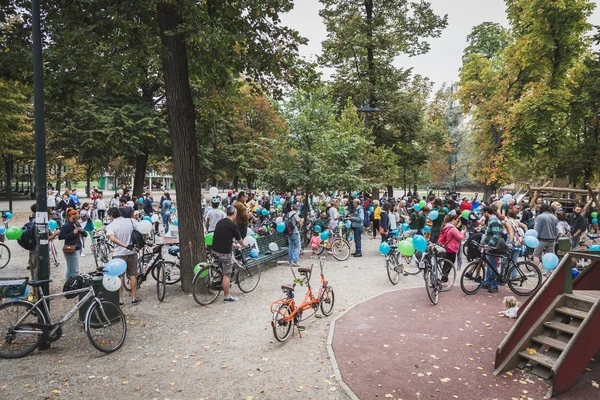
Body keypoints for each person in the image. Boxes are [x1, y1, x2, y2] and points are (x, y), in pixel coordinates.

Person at [106, 207, 141, 305]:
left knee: (120, 277)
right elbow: (143, 229)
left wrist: (125, 246)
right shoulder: (131, 221)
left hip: (119, 253)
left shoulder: (111, 226)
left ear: (111, 216)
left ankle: (120, 300)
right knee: (133, 275)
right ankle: (134, 298)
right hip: (132, 252)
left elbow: (112, 239)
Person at [212, 205, 246, 302]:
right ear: (234, 214)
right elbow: (239, 239)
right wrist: (243, 245)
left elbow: (222, 236)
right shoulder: (233, 225)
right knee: (227, 274)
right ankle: (227, 296)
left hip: (215, 249)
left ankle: (219, 279)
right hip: (224, 251)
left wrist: (232, 244)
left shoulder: (220, 222)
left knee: (221, 267)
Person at [480, 206, 505, 293]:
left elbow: (496, 234)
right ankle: (488, 282)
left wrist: (490, 244)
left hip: (493, 246)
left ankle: (494, 285)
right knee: (489, 265)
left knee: (492, 265)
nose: (483, 215)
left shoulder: (493, 220)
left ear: (487, 212)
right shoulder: (492, 220)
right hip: (490, 245)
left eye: (483, 213)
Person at [58, 209, 87, 280]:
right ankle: (73, 286)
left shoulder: (77, 224)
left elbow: (85, 234)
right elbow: (60, 236)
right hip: (71, 249)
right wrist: (72, 234)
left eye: (77, 218)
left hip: (78, 247)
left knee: (70, 268)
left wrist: (82, 231)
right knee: (74, 271)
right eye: (73, 219)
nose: (75, 220)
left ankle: (68, 285)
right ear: (68, 217)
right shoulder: (66, 225)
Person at [439, 214, 465, 281]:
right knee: (449, 264)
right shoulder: (453, 228)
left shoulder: (447, 226)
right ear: (453, 220)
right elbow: (459, 238)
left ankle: (444, 278)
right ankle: (444, 278)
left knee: (446, 264)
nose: (457, 222)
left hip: (447, 248)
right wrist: (462, 233)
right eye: (456, 220)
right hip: (452, 248)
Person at [533, 203, 558, 269]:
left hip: (542, 239)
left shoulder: (540, 217)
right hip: (552, 239)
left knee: (536, 255)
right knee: (550, 256)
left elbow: (537, 229)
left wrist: (535, 237)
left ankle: (536, 271)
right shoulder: (554, 218)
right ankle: (549, 271)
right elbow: (556, 230)